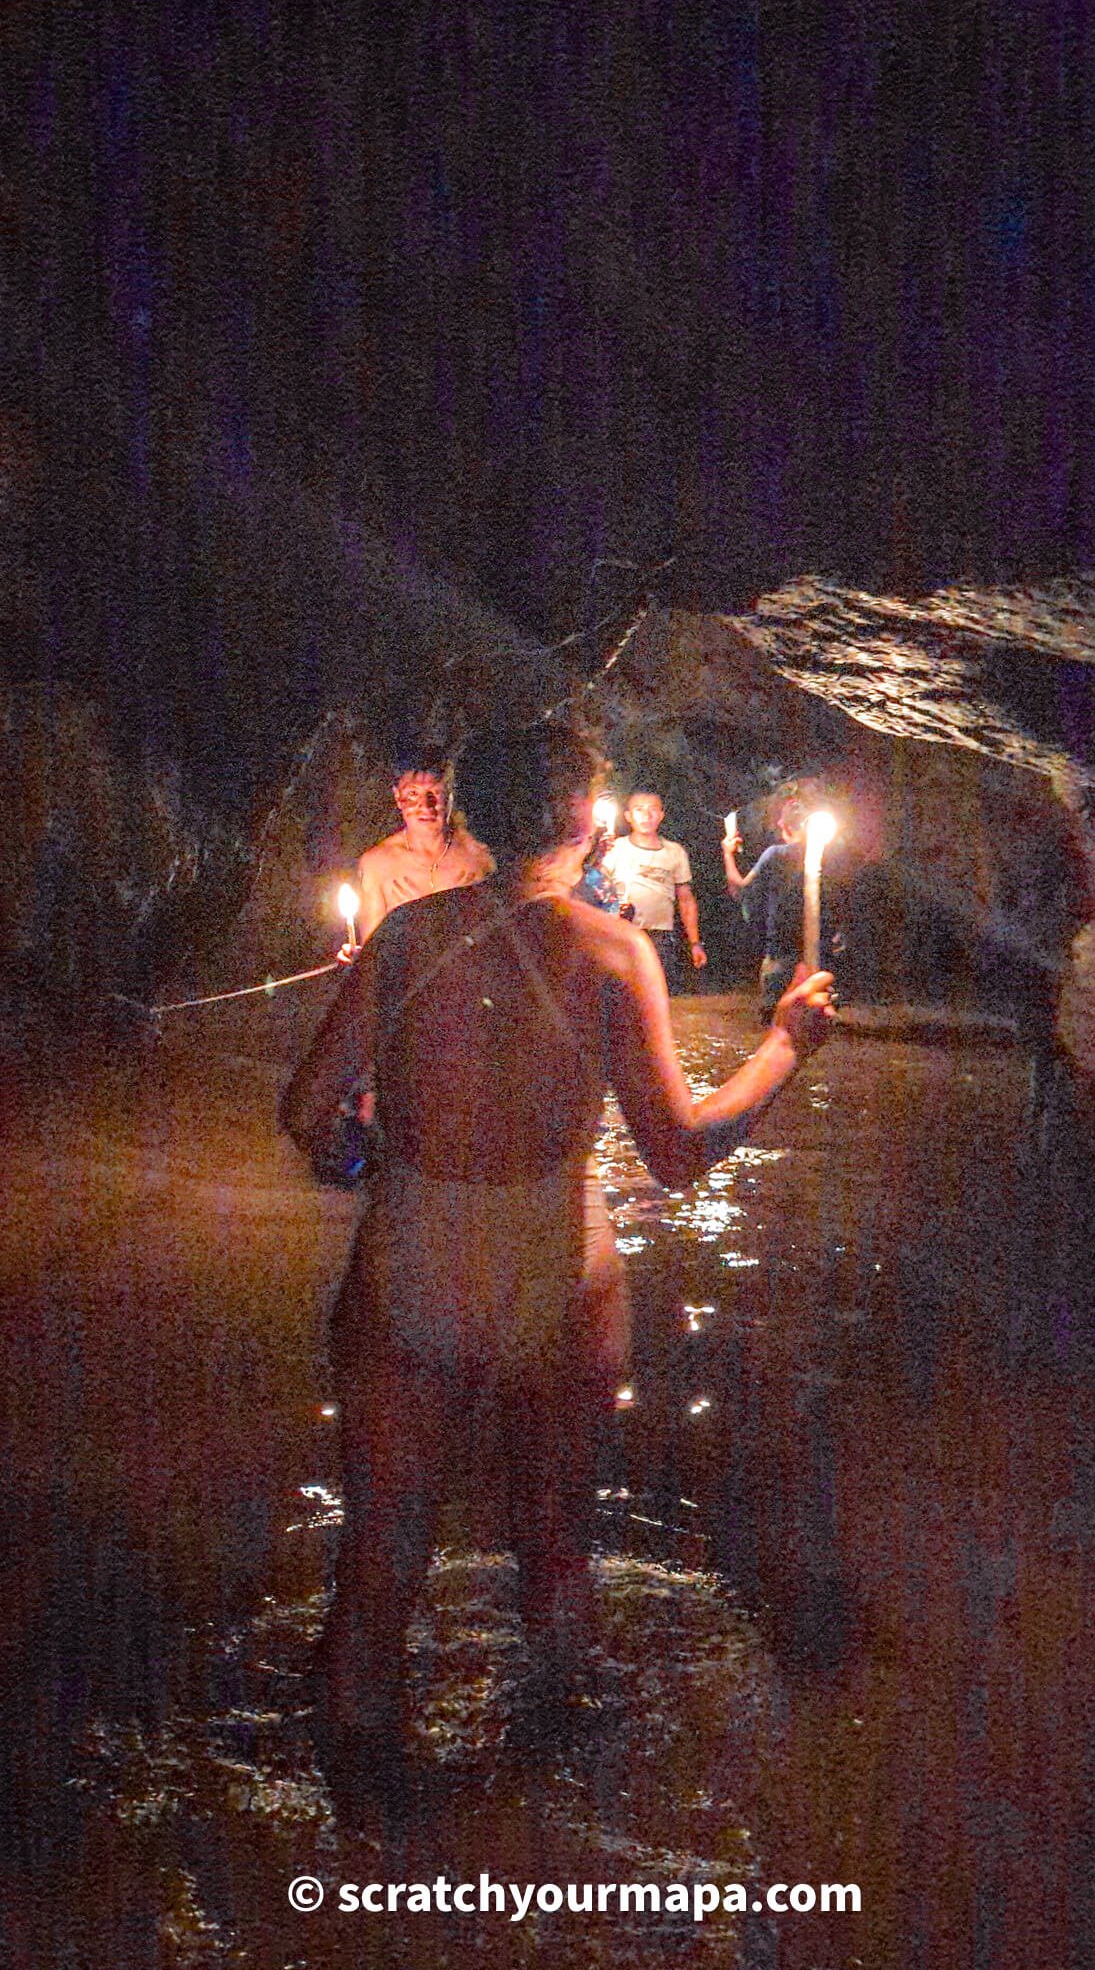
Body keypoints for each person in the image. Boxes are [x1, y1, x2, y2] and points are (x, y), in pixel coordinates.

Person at [280, 724, 833, 1807]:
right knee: (555, 1550)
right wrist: (782, 1047)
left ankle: (359, 1835)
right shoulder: (612, 952)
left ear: (473, 813)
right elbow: (677, 1152)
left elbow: (308, 1114)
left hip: (411, 1261)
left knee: (381, 1560)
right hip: (555, 1271)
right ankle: (559, 1798)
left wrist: (359, 1138)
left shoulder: (402, 939)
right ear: (583, 820)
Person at [351, 754, 493, 948]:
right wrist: (355, 958)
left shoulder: (478, 852)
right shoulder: (377, 865)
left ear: (449, 797)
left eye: (435, 793)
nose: (426, 806)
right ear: (398, 798)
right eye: (413, 794)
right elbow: (372, 951)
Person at [722, 782, 820, 1018]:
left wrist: (727, 854)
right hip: (822, 949)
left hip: (782, 950)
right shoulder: (831, 857)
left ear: (782, 824)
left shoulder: (776, 854)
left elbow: (740, 890)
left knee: (775, 1018)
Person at [603, 789, 707, 986]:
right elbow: (596, 889)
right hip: (623, 931)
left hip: (661, 937)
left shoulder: (674, 852)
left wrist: (695, 943)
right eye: (639, 810)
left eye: (652, 810)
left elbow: (685, 900)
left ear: (661, 815)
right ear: (628, 816)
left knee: (656, 991)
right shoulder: (614, 849)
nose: (646, 815)